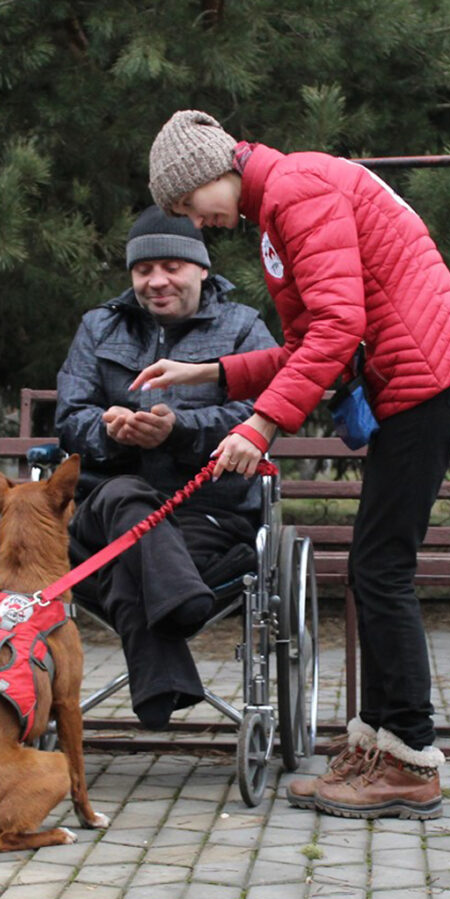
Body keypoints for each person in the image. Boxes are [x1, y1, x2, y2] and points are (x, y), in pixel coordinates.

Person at [132, 110, 450, 818]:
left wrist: (263, 425)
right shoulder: (282, 206)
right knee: (373, 567)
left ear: (215, 171)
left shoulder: (298, 191)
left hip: (424, 380)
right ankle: (383, 746)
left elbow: (339, 329)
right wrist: (207, 373)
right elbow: (312, 346)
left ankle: (409, 762)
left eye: (188, 205)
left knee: (381, 568)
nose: (194, 221)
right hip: (412, 384)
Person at [55, 205, 276, 731]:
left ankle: (161, 684)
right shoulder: (98, 327)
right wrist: (108, 431)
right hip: (105, 508)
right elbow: (70, 416)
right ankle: (176, 624)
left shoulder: (244, 327)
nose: (156, 281)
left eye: (171, 267)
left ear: (201, 268)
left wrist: (178, 430)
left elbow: (262, 412)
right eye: (143, 270)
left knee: (136, 560)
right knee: (127, 495)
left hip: (206, 514)